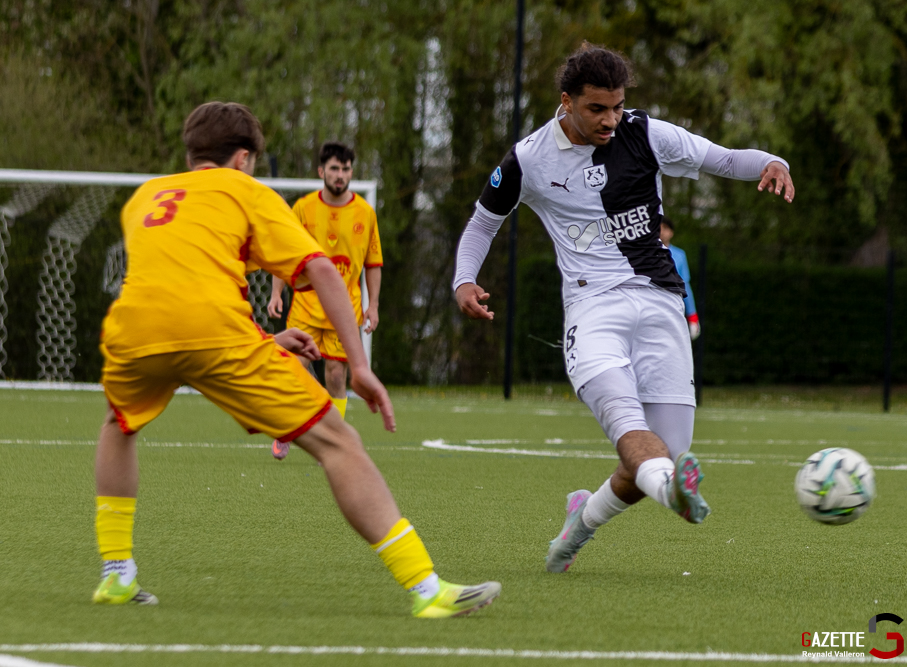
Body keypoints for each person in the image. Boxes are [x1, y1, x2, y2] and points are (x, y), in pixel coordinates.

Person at [93, 102, 500, 618]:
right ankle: (427, 589)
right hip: (214, 333)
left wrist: (265, 339)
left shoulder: (145, 198)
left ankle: (115, 575)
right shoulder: (245, 190)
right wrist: (359, 366)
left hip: (133, 332)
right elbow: (324, 273)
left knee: (118, 423)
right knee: (339, 442)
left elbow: (180, 287)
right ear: (243, 159)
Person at [453, 44, 794, 572]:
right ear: (566, 102)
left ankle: (581, 523)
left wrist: (772, 162)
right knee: (633, 432)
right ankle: (675, 492)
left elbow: (723, 158)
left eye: (617, 106)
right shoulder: (528, 158)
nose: (611, 119)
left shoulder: (646, 132)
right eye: (597, 109)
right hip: (593, 310)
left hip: (661, 304)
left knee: (662, 456)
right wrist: (464, 280)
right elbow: (482, 223)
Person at [267, 142, 382, 461]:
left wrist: (373, 306)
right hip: (305, 305)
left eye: (346, 169)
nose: (340, 175)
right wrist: (276, 293)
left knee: (335, 375)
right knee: (296, 367)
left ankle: (335, 438)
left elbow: (373, 263)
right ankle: (286, 429)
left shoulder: (365, 213)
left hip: (345, 311)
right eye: (334, 168)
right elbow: (284, 253)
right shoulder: (303, 208)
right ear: (321, 172)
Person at [659, 218, 699, 340]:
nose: (661, 232)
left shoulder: (679, 255)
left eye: (665, 228)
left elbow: (685, 284)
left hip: (672, 308)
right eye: (658, 228)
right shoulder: (645, 253)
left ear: (671, 232)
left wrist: (692, 315)